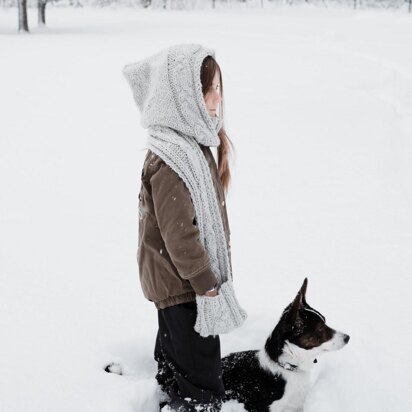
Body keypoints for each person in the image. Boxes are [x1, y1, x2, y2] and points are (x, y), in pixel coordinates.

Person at [122, 44, 243, 412]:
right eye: (210, 88)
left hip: (176, 281)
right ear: (184, 95)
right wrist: (206, 283)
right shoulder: (172, 158)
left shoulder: (190, 144)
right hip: (184, 284)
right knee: (201, 379)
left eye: (220, 87)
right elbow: (180, 236)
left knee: (177, 358)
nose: (218, 98)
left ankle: (170, 392)